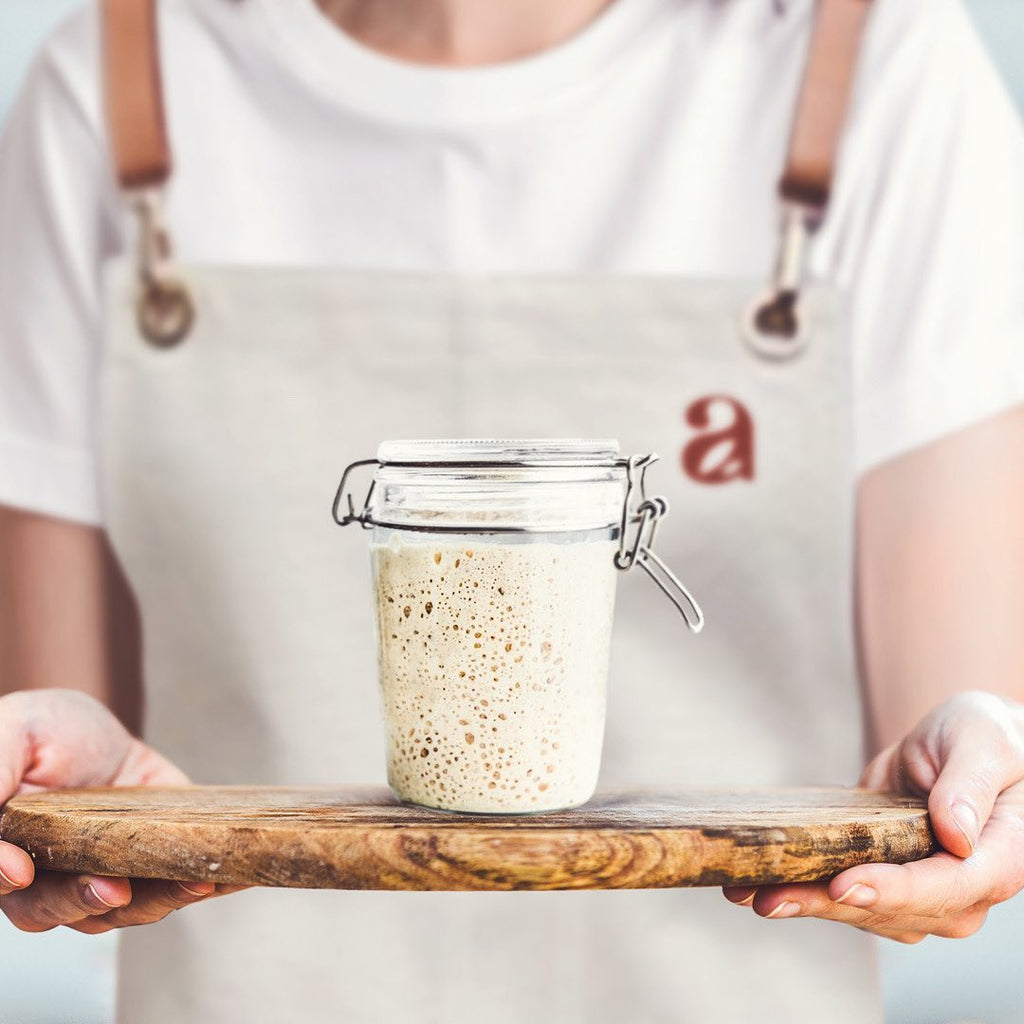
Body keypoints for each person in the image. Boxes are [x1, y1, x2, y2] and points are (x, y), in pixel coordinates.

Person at [1, 0, 1022, 1021]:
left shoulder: (876, 61)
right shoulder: (115, 75)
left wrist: (978, 772)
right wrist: (55, 800)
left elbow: (951, 754)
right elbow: (73, 748)